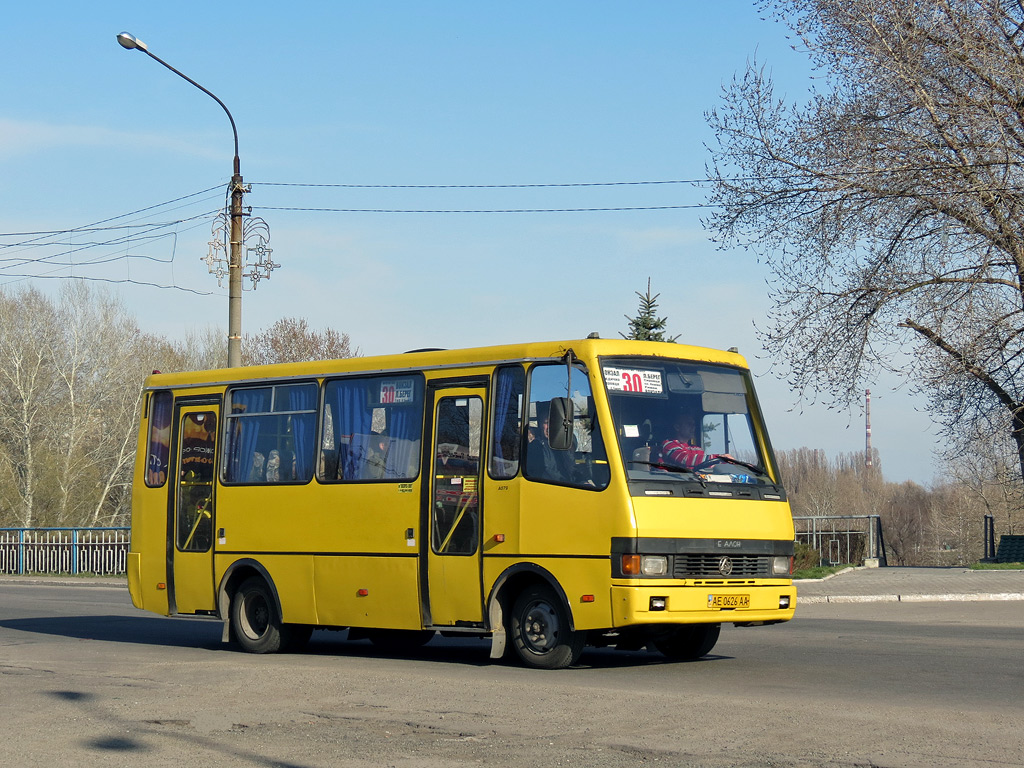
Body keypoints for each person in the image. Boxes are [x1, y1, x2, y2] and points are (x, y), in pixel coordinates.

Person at [658, 411, 730, 470]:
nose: (693, 427)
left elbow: (705, 463)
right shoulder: (668, 445)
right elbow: (685, 459)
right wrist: (720, 458)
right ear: (677, 427)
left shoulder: (696, 449)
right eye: (689, 424)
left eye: (694, 424)